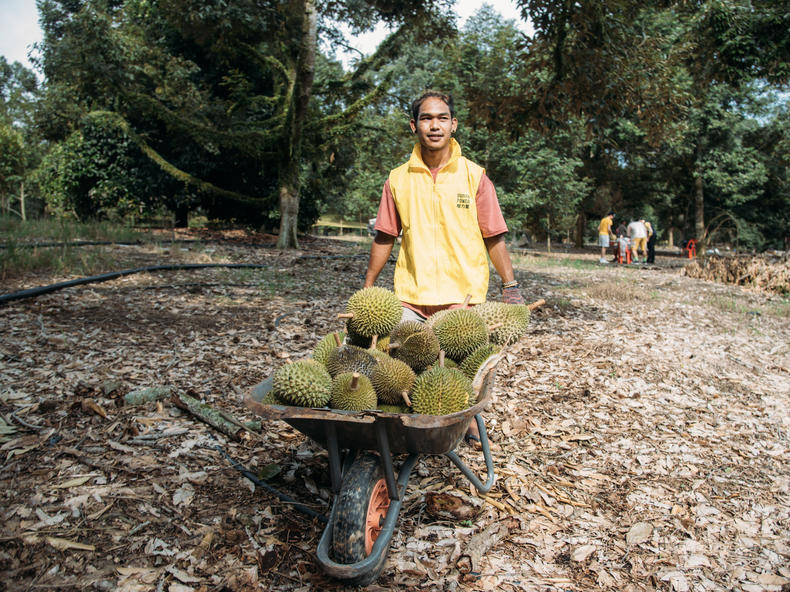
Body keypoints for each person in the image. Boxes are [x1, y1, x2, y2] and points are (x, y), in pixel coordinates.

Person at [363, 90, 523, 444]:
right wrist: (367, 287)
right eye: (425, 118)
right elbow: (384, 236)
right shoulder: (398, 179)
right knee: (395, 367)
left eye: (441, 118)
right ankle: (408, 425)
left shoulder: (475, 176)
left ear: (453, 124)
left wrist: (510, 286)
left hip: (461, 298)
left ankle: (460, 417)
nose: (433, 125)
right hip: (410, 297)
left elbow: (493, 235)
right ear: (413, 126)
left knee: (459, 371)